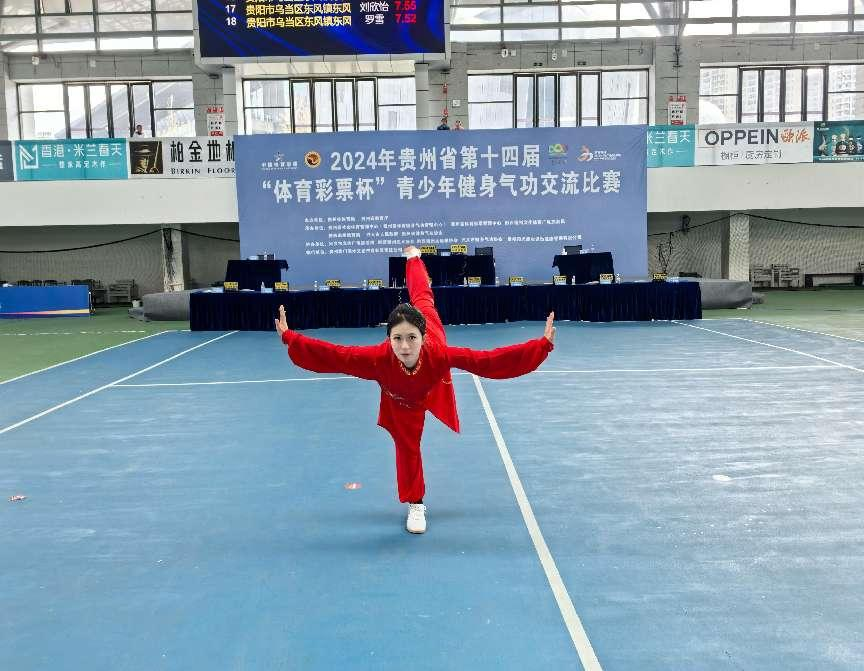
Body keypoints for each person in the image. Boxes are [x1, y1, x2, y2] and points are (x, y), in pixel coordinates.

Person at [274, 245, 556, 534]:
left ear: (422, 337)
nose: (405, 346)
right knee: (407, 448)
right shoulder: (377, 359)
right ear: (389, 339)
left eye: (412, 337)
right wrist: (291, 338)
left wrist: (540, 346)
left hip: (430, 382)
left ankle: (414, 259)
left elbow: (488, 361)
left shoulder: (439, 354)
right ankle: (415, 503)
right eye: (397, 338)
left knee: (423, 299)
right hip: (400, 399)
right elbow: (335, 355)